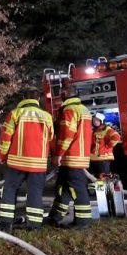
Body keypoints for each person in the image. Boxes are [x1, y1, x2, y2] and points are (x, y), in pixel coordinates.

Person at [0, 89, 54, 232]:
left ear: (23, 98)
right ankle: (34, 226)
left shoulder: (15, 113)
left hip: (16, 162)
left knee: (10, 190)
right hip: (38, 164)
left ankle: (6, 224)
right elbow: (51, 138)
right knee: (35, 193)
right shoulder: (47, 116)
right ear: (38, 99)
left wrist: (2, 156)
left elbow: (6, 138)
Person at [47, 85, 93, 229]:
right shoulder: (83, 110)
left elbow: (67, 135)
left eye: (61, 93)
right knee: (64, 187)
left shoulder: (69, 110)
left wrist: (58, 154)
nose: (60, 96)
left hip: (71, 156)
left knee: (78, 189)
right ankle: (55, 216)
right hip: (78, 156)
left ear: (66, 94)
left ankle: (83, 222)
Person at [89, 113, 121, 178]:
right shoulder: (94, 131)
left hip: (103, 159)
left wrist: (108, 146)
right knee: (97, 178)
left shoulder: (107, 129)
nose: (95, 122)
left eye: (97, 120)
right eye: (94, 120)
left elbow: (116, 137)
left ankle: (107, 188)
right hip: (94, 159)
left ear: (102, 121)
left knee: (104, 178)